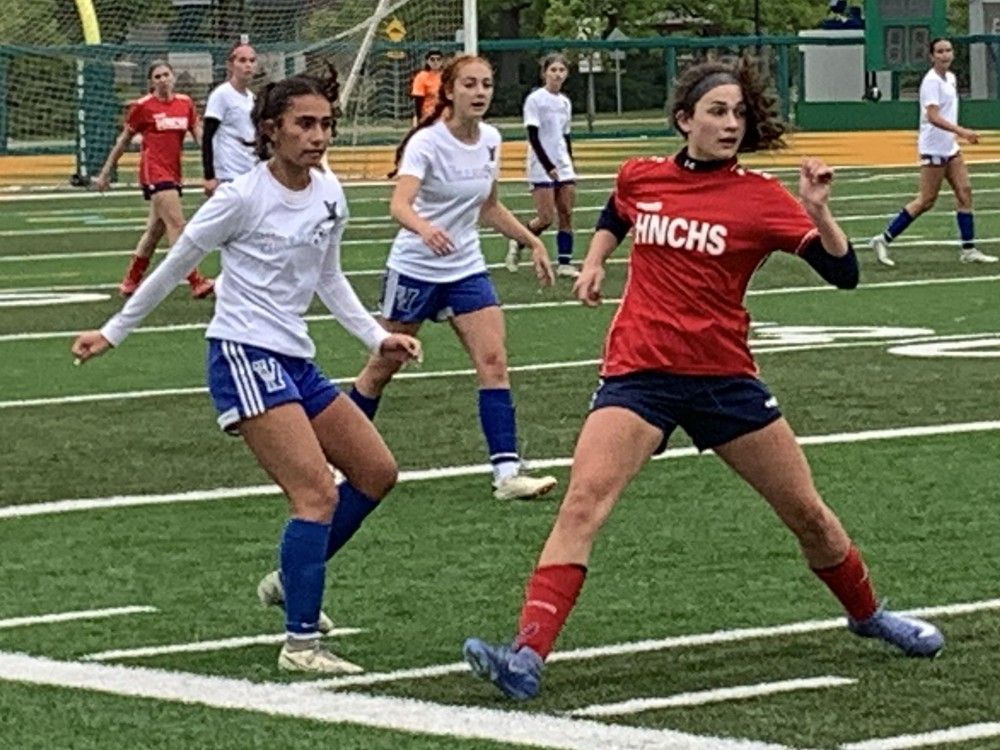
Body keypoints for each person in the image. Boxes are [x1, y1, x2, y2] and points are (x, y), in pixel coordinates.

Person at [463, 58, 945, 700]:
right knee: (583, 503)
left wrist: (819, 212)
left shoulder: (760, 197)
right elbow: (617, 211)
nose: (731, 123)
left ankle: (868, 614)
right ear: (684, 119)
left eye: (739, 113)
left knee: (807, 514)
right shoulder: (642, 175)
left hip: (724, 378)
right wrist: (597, 261)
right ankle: (526, 655)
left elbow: (844, 274)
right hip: (640, 373)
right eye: (717, 111)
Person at [72, 68, 423, 674]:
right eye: (304, 124)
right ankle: (301, 645)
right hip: (242, 353)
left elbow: (329, 277)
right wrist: (113, 331)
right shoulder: (241, 197)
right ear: (271, 130)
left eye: (325, 125)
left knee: (376, 472)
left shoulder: (330, 193)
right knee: (315, 495)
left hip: (294, 356)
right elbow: (177, 262)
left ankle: (292, 577)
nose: (318, 136)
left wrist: (377, 336)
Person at [348, 54, 559, 502]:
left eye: (486, 84)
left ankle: (507, 473)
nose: (480, 92)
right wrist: (425, 229)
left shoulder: (492, 139)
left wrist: (532, 241)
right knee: (382, 368)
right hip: (416, 269)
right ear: (449, 91)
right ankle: (337, 453)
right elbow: (399, 205)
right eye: (469, 84)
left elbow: (489, 207)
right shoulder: (426, 143)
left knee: (494, 362)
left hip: (466, 268)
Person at [870, 38, 997, 267]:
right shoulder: (931, 82)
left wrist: (956, 136)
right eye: (939, 51)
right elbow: (933, 116)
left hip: (949, 147)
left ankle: (969, 249)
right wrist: (961, 131)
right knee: (926, 200)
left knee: (965, 192)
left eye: (948, 50)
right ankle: (883, 238)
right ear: (932, 56)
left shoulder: (950, 78)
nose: (945, 55)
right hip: (934, 147)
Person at [95, 60, 215, 298]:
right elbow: (124, 140)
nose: (163, 80)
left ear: (173, 77)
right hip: (155, 172)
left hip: (174, 171)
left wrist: (213, 163)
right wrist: (106, 171)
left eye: (166, 75)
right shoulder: (143, 107)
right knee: (177, 225)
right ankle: (195, 280)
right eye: (157, 77)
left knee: (155, 230)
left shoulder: (185, 103)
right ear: (151, 82)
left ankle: (131, 280)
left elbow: (199, 135)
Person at [505, 53, 579, 279]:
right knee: (546, 218)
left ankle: (565, 262)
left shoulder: (565, 102)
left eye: (561, 70)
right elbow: (533, 136)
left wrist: (569, 162)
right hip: (541, 164)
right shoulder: (535, 100)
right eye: (553, 70)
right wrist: (547, 165)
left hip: (562, 164)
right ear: (545, 73)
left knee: (566, 213)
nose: (557, 74)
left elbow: (565, 136)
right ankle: (519, 240)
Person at [202, 41, 258, 197]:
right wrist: (209, 176)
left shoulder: (252, 98)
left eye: (252, 60)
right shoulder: (221, 95)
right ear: (231, 65)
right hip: (228, 175)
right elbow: (207, 136)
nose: (248, 65)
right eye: (242, 60)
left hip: (250, 172)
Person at [410, 49, 444, 124]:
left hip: (443, 116)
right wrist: (419, 119)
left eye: (438, 59)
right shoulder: (421, 77)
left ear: (442, 61)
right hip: (427, 116)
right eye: (432, 59)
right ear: (427, 61)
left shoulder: (445, 76)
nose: (435, 62)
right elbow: (418, 100)